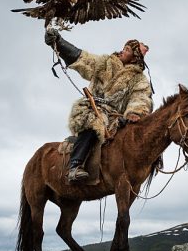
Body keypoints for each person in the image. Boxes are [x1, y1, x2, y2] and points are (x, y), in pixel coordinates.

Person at [45, 29, 153, 184]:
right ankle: (74, 166)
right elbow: (85, 60)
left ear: (135, 57)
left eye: (128, 50)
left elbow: (141, 96)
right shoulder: (106, 63)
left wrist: (134, 112)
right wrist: (59, 43)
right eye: (124, 47)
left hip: (117, 116)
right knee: (96, 121)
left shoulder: (139, 79)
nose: (123, 51)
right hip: (93, 108)